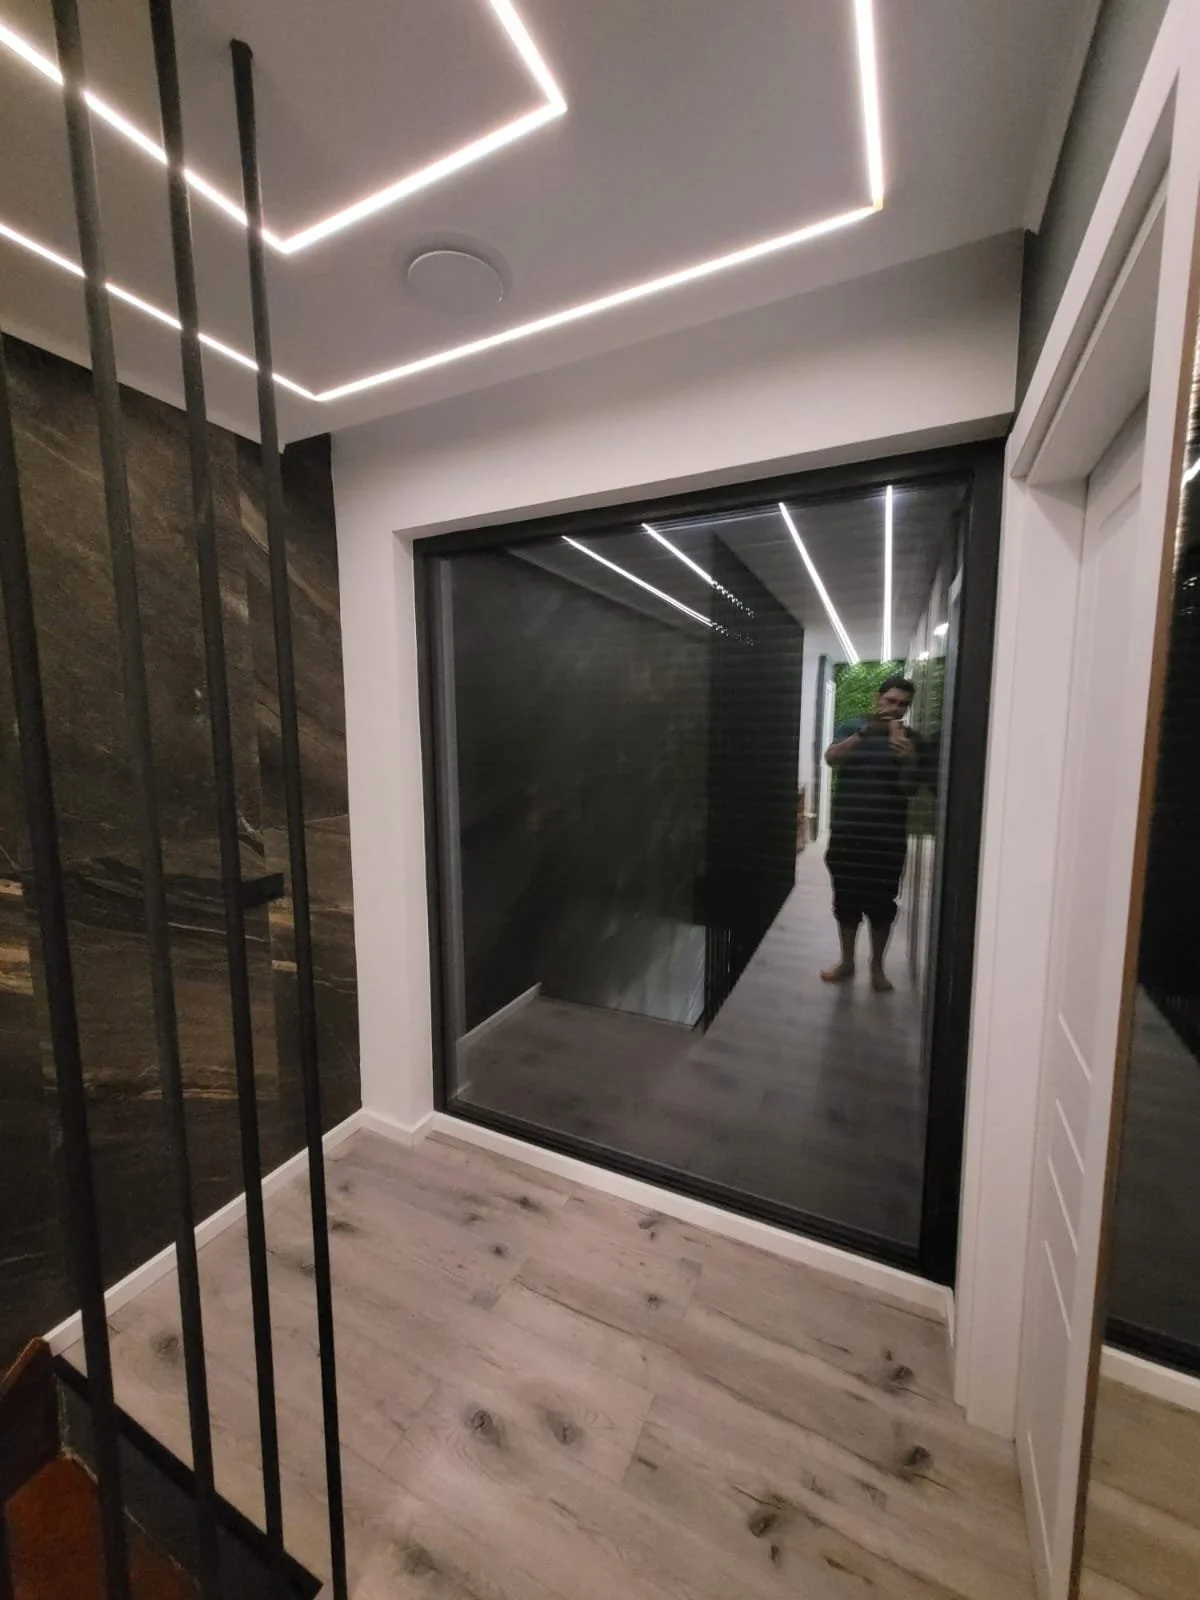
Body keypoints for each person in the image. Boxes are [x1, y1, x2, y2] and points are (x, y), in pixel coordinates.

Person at [820, 674, 920, 993]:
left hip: (888, 836)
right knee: (845, 900)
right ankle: (847, 962)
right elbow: (831, 759)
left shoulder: (911, 740)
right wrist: (865, 733)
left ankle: (877, 967)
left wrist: (908, 761)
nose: (895, 708)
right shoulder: (852, 727)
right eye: (890, 700)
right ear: (878, 699)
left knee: (882, 905)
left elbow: (909, 789)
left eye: (902, 704)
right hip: (848, 830)